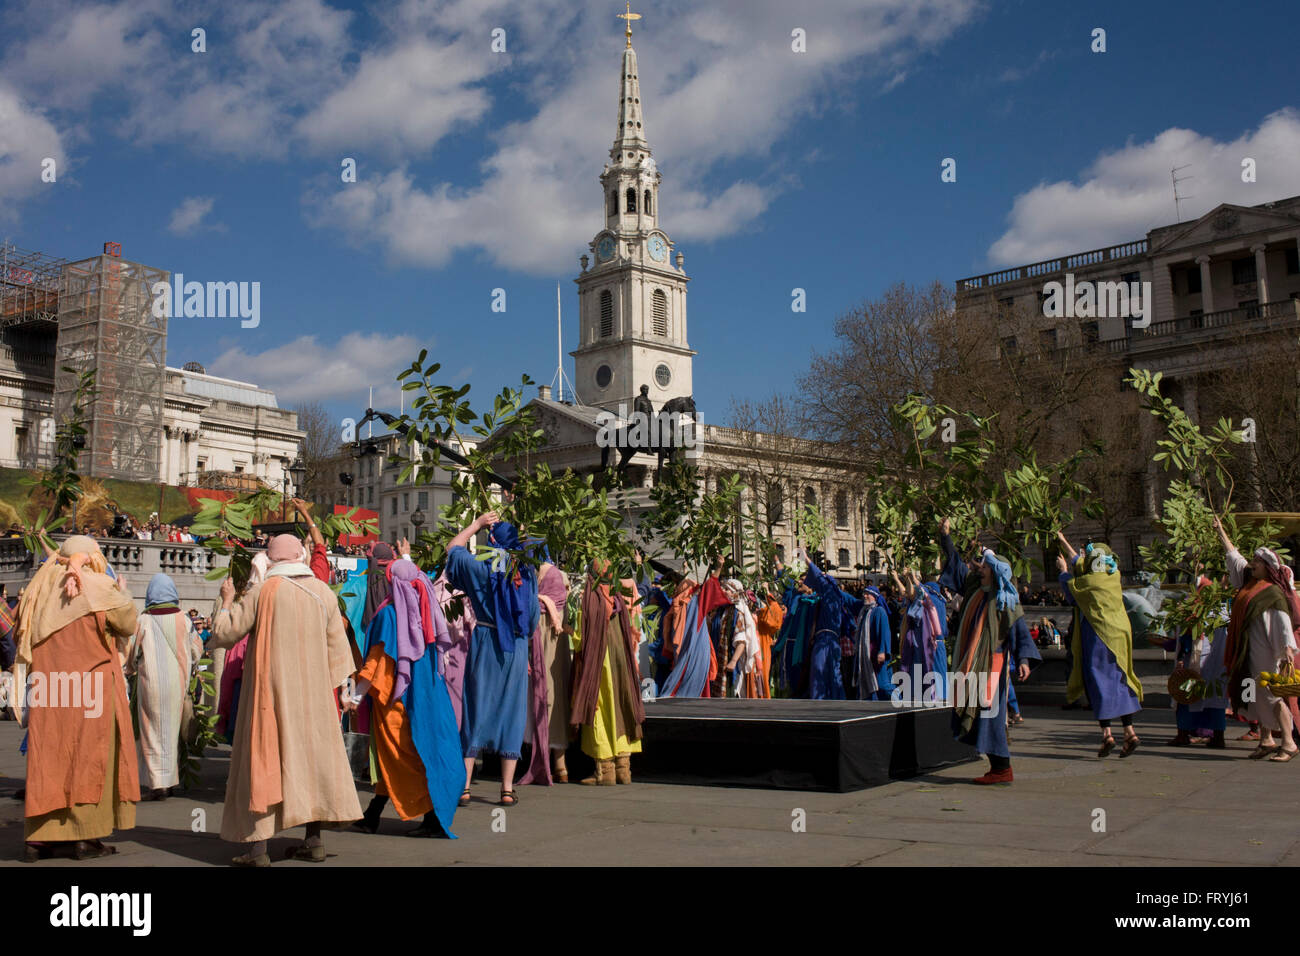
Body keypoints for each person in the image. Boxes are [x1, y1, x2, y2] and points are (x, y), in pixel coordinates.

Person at [209, 534, 361, 865]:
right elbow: (339, 650)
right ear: (300, 555)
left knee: (264, 762)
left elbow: (225, 633)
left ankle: (258, 850)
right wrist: (345, 692)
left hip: (270, 695)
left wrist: (226, 600)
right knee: (313, 766)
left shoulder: (263, 591)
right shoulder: (322, 591)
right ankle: (314, 841)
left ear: (271, 558)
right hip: (315, 700)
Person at [13, 536, 139, 861]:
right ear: (93, 556)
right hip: (91, 688)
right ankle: (85, 837)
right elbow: (126, 624)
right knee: (90, 758)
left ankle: (39, 838)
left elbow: (19, 632)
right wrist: (121, 591)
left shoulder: (40, 590)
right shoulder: (98, 585)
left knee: (49, 758)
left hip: (50, 688)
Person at [347, 558, 462, 837]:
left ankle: (433, 819)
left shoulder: (389, 615)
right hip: (423, 701)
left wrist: (354, 695)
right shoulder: (425, 611)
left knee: (404, 759)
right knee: (401, 758)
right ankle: (372, 814)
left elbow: (377, 663)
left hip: (394, 703)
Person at [443, 512, 538, 807]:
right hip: (516, 645)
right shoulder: (526, 573)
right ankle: (507, 789)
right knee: (512, 710)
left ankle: (465, 786)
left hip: (485, 639)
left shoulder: (480, 568)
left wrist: (477, 524)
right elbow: (533, 618)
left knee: (476, 706)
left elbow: (451, 549)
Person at [939, 519, 1039, 784]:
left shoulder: (1005, 600)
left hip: (992, 664)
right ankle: (999, 768)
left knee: (991, 715)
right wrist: (946, 537)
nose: (977, 569)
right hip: (973, 662)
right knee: (983, 715)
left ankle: (1001, 769)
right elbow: (957, 566)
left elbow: (1019, 631)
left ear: (994, 572)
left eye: (982, 567)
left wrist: (1024, 660)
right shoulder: (975, 589)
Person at [1214, 516, 1299, 761]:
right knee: (1253, 697)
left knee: (1272, 696)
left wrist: (1285, 654)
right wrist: (1221, 532)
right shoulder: (1249, 584)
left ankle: (1289, 743)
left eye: (1257, 561)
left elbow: (1283, 626)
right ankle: (1266, 739)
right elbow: (1234, 558)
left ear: (1266, 566)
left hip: (1267, 654)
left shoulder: (1271, 593)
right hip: (1249, 652)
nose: (1252, 564)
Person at [1057, 535, 1143, 757]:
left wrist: (1063, 570)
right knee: (1122, 679)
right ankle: (1130, 732)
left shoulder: (1088, 583)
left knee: (1098, 683)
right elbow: (1083, 563)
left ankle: (1107, 735)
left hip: (1097, 637)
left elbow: (1071, 590)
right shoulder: (1113, 576)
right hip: (1119, 635)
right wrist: (1064, 541)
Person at [124, 573, 204, 800]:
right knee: (172, 732)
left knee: (151, 732)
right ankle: (170, 781)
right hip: (177, 684)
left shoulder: (143, 621)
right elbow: (196, 651)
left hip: (151, 685)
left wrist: (131, 669)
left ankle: (156, 783)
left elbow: (131, 654)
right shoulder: (184, 620)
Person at [570, 560, 645, 785]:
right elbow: (633, 628)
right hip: (621, 657)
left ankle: (606, 771)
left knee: (599, 709)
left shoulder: (591, 596)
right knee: (622, 706)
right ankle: (624, 769)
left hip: (599, 660)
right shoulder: (618, 594)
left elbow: (580, 635)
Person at [519, 556, 573, 785]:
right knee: (554, 695)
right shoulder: (559, 576)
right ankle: (560, 764)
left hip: (535, 635)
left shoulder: (527, 574)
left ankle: (542, 758)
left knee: (538, 695)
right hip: (553, 634)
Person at [1168, 575, 1229, 748]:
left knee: (1185, 696)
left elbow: (1188, 637)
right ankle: (1218, 737)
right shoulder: (1222, 610)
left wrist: (1180, 658)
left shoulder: (1193, 610)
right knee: (1216, 700)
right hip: (1218, 665)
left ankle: (1182, 735)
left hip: (1194, 664)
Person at [855, 586, 892, 700]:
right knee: (870, 683)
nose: (865, 596)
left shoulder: (879, 611)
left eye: (868, 594)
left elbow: (884, 633)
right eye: (864, 593)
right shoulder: (864, 612)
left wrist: (882, 651)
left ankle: (899, 701)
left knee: (882, 684)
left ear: (874, 597)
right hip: (867, 655)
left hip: (876, 653)